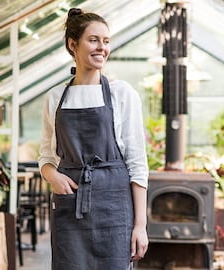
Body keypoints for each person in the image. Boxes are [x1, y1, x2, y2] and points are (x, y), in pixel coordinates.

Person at [38, 8, 149, 270]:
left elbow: (137, 162)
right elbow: (46, 156)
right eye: (94, 40)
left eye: (106, 41)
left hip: (115, 209)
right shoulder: (55, 98)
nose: (102, 47)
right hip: (70, 209)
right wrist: (52, 176)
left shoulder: (121, 94)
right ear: (72, 44)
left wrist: (141, 225)